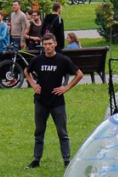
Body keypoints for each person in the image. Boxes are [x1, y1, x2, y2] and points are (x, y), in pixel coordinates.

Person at [23, 33, 83, 169]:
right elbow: (26, 71)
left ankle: (67, 160)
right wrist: (33, 84)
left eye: (50, 44)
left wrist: (66, 88)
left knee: (62, 132)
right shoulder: (38, 60)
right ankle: (36, 160)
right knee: (39, 132)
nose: (48, 47)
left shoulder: (63, 60)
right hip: (40, 101)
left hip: (57, 102)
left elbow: (79, 74)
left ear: (55, 44)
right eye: (45, 44)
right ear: (42, 45)